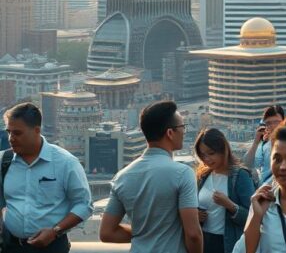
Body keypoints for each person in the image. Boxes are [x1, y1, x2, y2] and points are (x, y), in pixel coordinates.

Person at [101, 101, 203, 253]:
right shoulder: (183, 173)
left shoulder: (122, 177)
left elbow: (107, 233)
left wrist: (143, 234)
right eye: (182, 127)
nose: (184, 132)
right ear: (170, 133)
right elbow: (193, 234)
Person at [1, 102, 91, 253]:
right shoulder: (4, 161)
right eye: (9, 132)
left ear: (36, 130)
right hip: (11, 247)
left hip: (52, 247)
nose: (11, 138)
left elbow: (84, 205)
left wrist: (55, 231)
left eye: (17, 133)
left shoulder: (65, 162)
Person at [194, 128, 257, 253]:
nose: (206, 159)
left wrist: (230, 205)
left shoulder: (240, 176)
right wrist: (196, 215)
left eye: (211, 153)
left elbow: (253, 217)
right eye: (202, 155)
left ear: (224, 150)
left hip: (228, 243)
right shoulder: (203, 176)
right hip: (204, 241)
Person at [244, 105, 285, 179]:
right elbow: (247, 164)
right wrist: (256, 142)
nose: (273, 126)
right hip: (264, 185)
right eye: (269, 123)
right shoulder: (264, 144)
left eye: (277, 122)